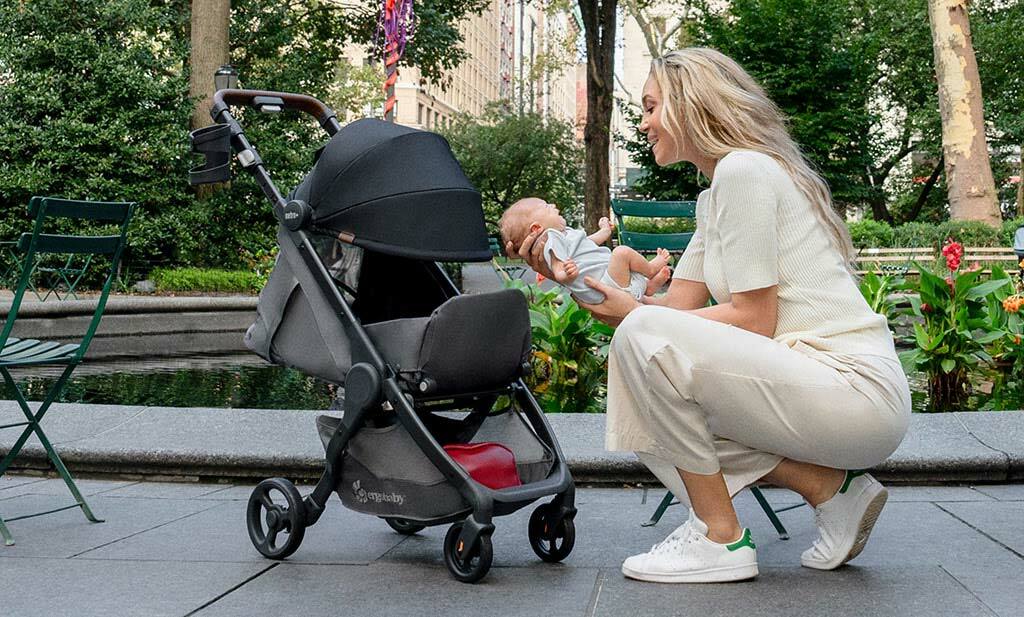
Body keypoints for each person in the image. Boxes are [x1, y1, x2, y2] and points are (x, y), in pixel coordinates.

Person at [510, 48, 911, 584]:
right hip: (810, 387)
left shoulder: (746, 171)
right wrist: (581, 283)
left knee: (644, 346)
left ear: (689, 106)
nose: (645, 121)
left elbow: (752, 319)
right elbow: (670, 316)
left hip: (853, 390)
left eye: (652, 107)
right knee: (646, 393)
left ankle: (719, 538)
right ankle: (829, 490)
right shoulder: (714, 197)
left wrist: (638, 320)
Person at [499, 197, 672, 303]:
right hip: (605, 286)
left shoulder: (564, 236)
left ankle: (647, 288)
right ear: (536, 228)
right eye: (545, 206)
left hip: (612, 283)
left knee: (621, 260)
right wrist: (564, 274)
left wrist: (604, 231)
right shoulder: (550, 238)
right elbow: (557, 265)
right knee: (621, 253)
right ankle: (650, 270)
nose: (552, 205)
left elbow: (587, 243)